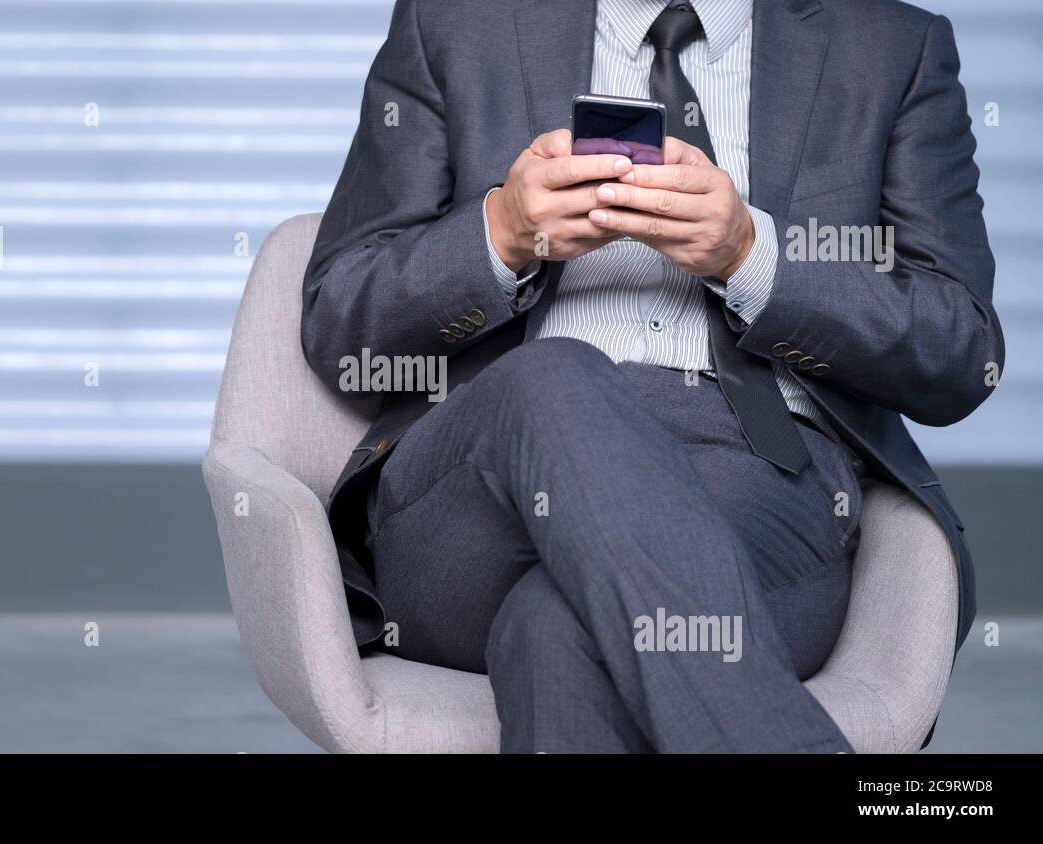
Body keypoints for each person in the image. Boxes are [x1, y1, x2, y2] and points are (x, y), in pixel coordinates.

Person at [301, 0, 1002, 752]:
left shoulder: (890, 47)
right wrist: (500, 233)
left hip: (755, 484)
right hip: (483, 488)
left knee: (557, 629)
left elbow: (960, 351)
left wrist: (750, 255)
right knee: (557, 379)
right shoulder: (456, 23)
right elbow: (341, 320)